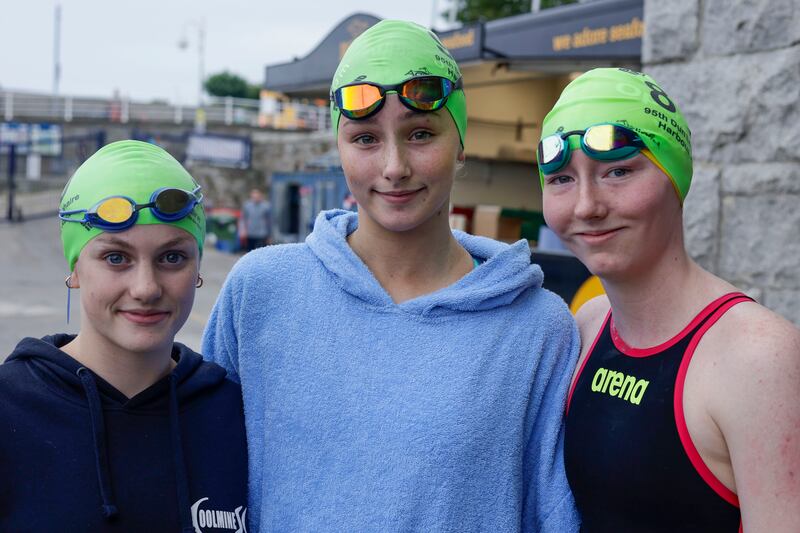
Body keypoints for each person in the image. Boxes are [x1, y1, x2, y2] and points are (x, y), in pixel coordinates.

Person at [203, 20, 580, 532]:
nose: (394, 166)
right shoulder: (262, 291)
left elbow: (553, 517)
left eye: (420, 133)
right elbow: (204, 486)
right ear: (339, 149)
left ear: (461, 143)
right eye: (365, 138)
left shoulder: (537, 329)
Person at [537, 68, 800, 532]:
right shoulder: (588, 323)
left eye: (618, 170)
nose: (586, 206)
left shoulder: (760, 356)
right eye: (561, 179)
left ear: (675, 178)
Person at [0, 140, 248, 531]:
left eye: (172, 257)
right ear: (76, 268)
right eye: (116, 258)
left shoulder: (233, 414)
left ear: (198, 266)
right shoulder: (10, 409)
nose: (146, 288)